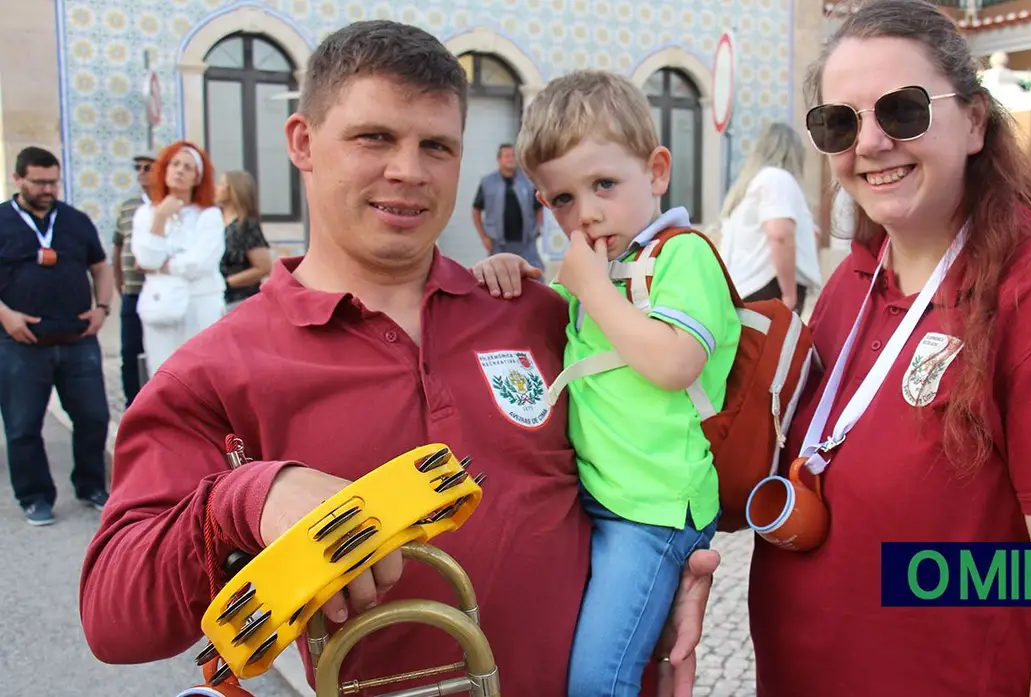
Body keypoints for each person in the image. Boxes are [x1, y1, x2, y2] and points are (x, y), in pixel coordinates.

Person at [78, 21, 716, 697]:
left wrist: (681, 566)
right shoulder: (217, 369)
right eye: (374, 137)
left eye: (436, 146)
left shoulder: (542, 315)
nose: (408, 170)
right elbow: (112, 618)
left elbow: (672, 446)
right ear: (303, 142)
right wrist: (245, 498)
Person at [753, 1, 1031, 694]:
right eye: (840, 123)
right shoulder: (852, 284)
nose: (872, 142)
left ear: (974, 121)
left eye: (903, 111)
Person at [473, 69, 739, 696]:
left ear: (656, 171)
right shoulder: (603, 266)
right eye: (563, 199)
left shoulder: (682, 256)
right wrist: (514, 269)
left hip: (653, 509)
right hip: (598, 499)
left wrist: (589, 285)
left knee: (601, 679)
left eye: (604, 184)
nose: (587, 213)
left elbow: (676, 362)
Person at [0, 146, 112, 525]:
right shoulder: (2, 221)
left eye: (53, 181)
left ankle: (92, 484)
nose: (48, 189)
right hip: (20, 343)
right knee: (22, 426)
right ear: (18, 179)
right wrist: (6, 316)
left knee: (94, 417)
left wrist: (103, 308)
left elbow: (100, 266)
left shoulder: (75, 221)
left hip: (78, 340)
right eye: (39, 182)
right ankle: (35, 497)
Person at [130, 141, 226, 374]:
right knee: (163, 374)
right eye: (175, 164)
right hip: (160, 306)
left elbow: (201, 262)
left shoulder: (210, 215)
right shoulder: (147, 214)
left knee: (201, 373)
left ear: (197, 177)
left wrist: (165, 266)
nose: (180, 170)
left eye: (188, 167)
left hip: (200, 306)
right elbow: (146, 259)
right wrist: (161, 217)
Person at [717, 121, 822, 314]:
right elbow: (780, 235)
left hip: (746, 291)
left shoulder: (746, 188)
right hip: (769, 289)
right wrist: (789, 296)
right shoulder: (777, 178)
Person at [113, 153, 155, 405]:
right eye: (137, 167)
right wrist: (119, 282)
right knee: (130, 352)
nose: (141, 171)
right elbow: (117, 246)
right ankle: (133, 406)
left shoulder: (171, 205)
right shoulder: (129, 207)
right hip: (132, 294)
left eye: (148, 167)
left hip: (161, 294)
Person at [472, 143, 544, 269]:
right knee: (499, 280)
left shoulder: (527, 181)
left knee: (534, 277)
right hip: (498, 245)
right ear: (499, 160)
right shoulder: (487, 183)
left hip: (526, 245)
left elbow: (538, 207)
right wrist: (484, 237)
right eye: (507, 156)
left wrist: (537, 229)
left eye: (513, 156)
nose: (511, 159)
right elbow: (476, 210)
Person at [215, 170, 273, 312]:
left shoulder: (246, 225)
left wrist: (226, 283)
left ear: (233, 191)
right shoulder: (215, 220)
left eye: (222, 184)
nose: (217, 188)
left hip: (239, 302)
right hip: (216, 299)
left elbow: (264, 268)